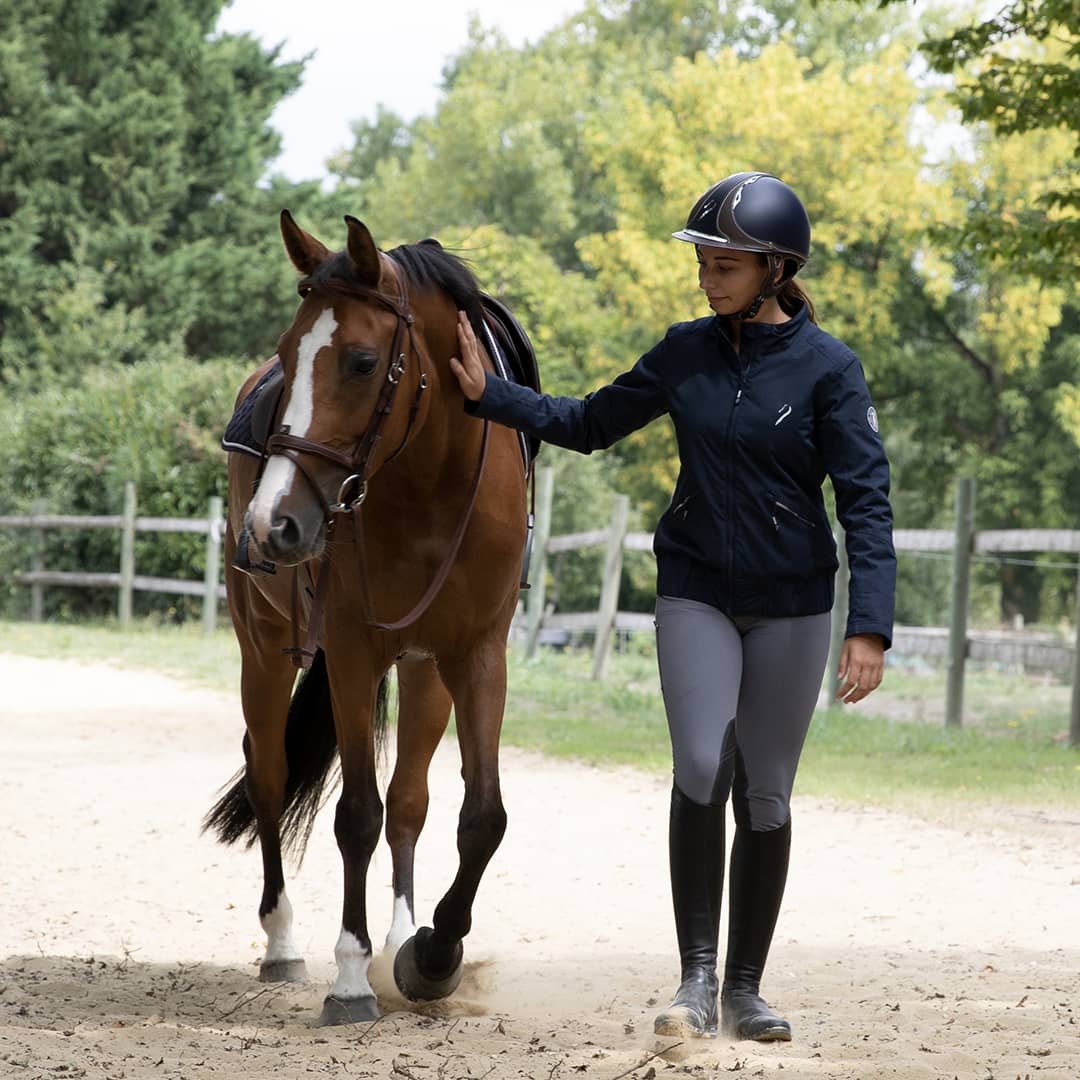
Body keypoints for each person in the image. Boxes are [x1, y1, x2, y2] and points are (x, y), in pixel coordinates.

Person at [449, 172, 896, 1043]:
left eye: (724, 262)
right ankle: (694, 980)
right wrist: (486, 395)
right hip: (696, 590)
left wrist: (868, 625)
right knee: (701, 763)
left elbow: (866, 499)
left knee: (766, 794)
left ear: (773, 267)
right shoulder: (683, 353)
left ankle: (745, 991)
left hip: (794, 605)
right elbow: (585, 421)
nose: (707, 275)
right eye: (703, 259)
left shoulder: (831, 370)